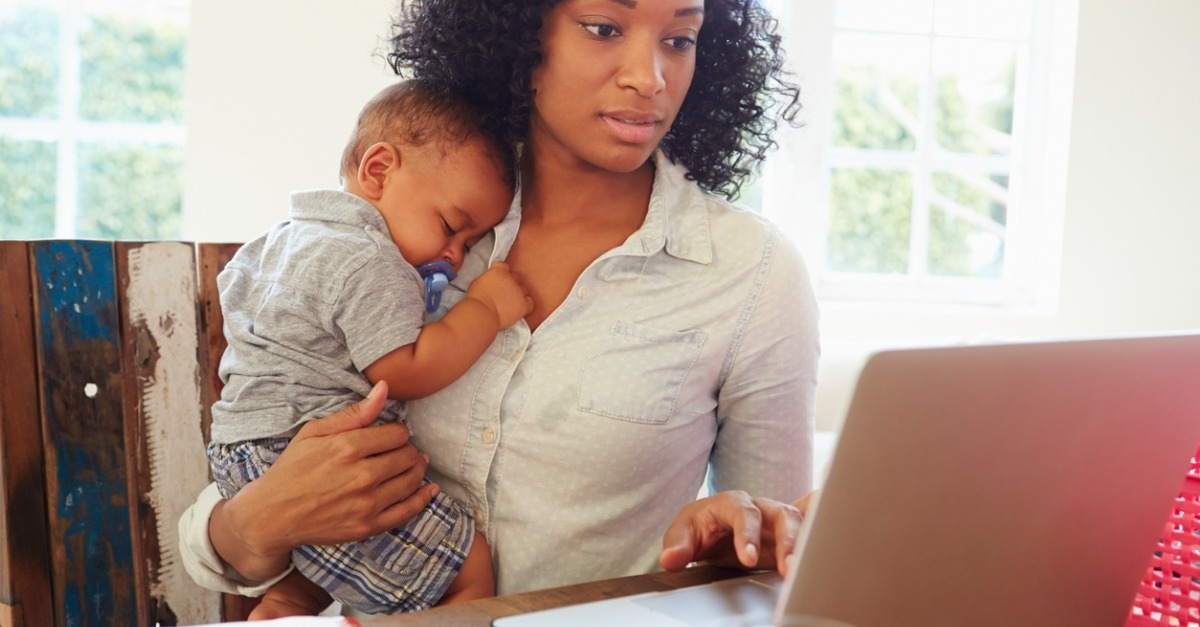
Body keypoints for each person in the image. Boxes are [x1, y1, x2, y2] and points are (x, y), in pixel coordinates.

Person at [179, 0, 820, 617]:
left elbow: (780, 560)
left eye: (679, 40)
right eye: (602, 28)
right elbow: (248, 484)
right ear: (520, 31)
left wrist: (738, 547)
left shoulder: (752, 274)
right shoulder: (412, 214)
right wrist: (255, 522)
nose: (648, 77)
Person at [204, 79, 533, 617]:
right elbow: (405, 369)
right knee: (466, 568)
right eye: (452, 227)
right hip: (301, 452)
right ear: (378, 170)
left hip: (244, 450)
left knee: (330, 568)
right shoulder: (370, 260)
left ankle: (287, 601)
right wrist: (486, 310)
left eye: (470, 245)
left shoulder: (281, 239)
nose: (453, 256)